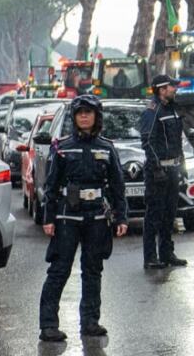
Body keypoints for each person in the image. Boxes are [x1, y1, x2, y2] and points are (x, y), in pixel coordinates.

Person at [38, 95, 128, 342]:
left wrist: (121, 217)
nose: (84, 116)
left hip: (97, 217)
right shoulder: (63, 147)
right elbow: (51, 186)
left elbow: (117, 186)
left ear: (96, 117)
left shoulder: (106, 147)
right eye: (80, 113)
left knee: (93, 271)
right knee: (59, 270)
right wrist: (48, 218)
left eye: (89, 113)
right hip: (68, 216)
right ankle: (48, 325)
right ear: (74, 118)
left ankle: (90, 322)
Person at [139, 74, 187, 269]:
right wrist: (157, 168)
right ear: (161, 90)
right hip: (158, 172)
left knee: (169, 214)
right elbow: (148, 142)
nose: (174, 90)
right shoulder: (152, 111)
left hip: (173, 169)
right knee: (154, 215)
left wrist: (181, 166)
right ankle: (150, 257)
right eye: (171, 87)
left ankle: (167, 253)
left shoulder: (173, 110)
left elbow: (178, 141)